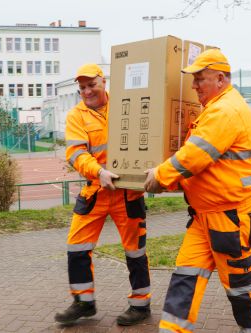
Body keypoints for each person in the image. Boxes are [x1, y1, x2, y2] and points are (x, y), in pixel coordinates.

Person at [144, 49, 251, 333]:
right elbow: (200, 166)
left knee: (241, 287)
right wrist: (171, 181)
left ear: (221, 78)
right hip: (206, 217)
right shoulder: (216, 109)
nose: (194, 86)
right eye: (194, 80)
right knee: (185, 278)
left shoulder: (225, 110)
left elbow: (194, 156)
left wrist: (160, 177)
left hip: (232, 217)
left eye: (200, 79)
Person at [55, 63, 151, 326]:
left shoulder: (124, 105)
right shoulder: (77, 116)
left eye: (91, 85)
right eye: (82, 87)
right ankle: (83, 302)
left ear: (104, 83)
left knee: (135, 251)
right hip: (96, 190)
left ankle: (140, 305)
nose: (87, 91)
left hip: (127, 193)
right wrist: (99, 172)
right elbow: (76, 153)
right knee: (77, 246)